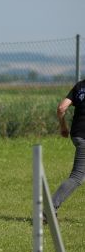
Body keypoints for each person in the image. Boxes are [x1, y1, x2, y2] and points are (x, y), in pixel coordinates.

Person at [50, 79, 85, 218]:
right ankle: (48, 210)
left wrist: (63, 126)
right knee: (77, 177)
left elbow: (61, 108)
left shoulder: (80, 86)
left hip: (77, 134)